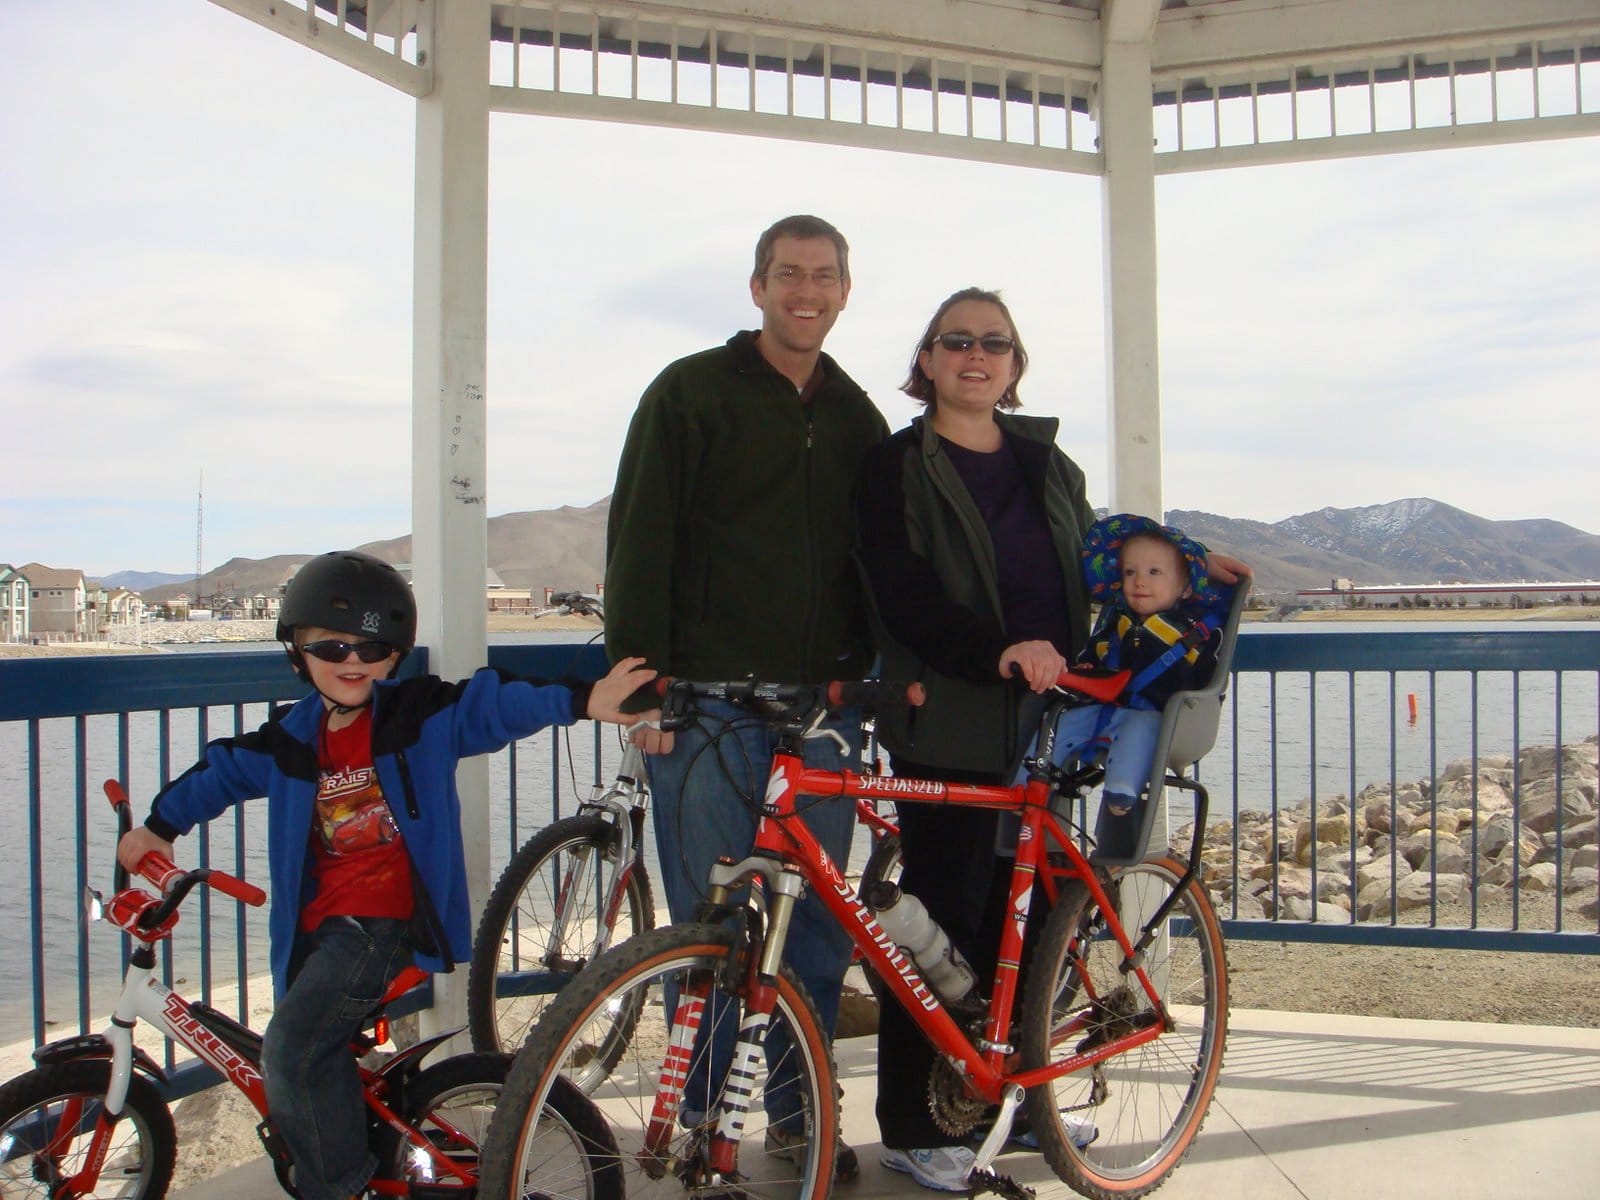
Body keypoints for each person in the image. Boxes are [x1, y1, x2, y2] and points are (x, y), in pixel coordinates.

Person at [856, 288, 1246, 1191]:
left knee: (1026, 930)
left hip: (1050, 725)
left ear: (1016, 365)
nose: (976, 355)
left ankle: (1020, 1097)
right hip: (949, 722)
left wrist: (1187, 562)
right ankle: (918, 1127)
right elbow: (900, 588)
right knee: (940, 930)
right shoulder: (896, 466)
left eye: (995, 342)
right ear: (927, 361)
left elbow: (1105, 560)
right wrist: (996, 650)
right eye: (956, 341)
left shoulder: (1046, 463)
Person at [116, 551, 655, 1200]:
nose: (353, 662)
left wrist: (584, 699)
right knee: (317, 1047)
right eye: (332, 646)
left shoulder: (417, 717)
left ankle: (340, 1187)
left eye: (373, 648)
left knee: (291, 1049)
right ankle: (371, 1140)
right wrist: (158, 827)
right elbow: (223, 770)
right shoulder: (290, 740)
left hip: (383, 925)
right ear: (297, 650)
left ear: (395, 655)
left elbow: (493, 704)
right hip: (316, 930)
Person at [603, 214, 888, 1178]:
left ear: (846, 290)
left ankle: (801, 1117)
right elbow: (640, 538)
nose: (805, 292)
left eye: (824, 276)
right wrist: (640, 687)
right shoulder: (689, 393)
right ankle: (699, 1125)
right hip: (707, 710)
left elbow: (881, 565)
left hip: (826, 714)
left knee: (811, 927)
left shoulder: (858, 415)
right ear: (757, 285)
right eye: (787, 274)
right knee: (715, 929)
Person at [1025, 513, 1225, 857]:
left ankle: (1122, 792)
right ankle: (1027, 784)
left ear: (1185, 587)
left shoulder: (1190, 631)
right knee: (1057, 722)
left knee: (1138, 730)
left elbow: (1206, 676)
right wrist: (1086, 666)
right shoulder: (1116, 624)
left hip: (1150, 713)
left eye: (1154, 573)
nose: (1139, 582)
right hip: (1104, 706)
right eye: (1130, 572)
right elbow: (1096, 653)